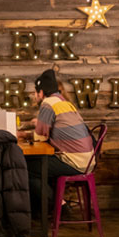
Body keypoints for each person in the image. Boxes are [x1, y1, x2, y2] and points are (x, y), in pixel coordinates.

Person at [26, 69, 94, 212]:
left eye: (36, 91)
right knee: (37, 166)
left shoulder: (48, 103)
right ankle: (50, 207)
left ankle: (58, 206)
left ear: (42, 92)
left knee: (26, 168)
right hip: (87, 161)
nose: (35, 95)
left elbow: (40, 138)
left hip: (74, 161)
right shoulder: (64, 102)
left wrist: (20, 134)